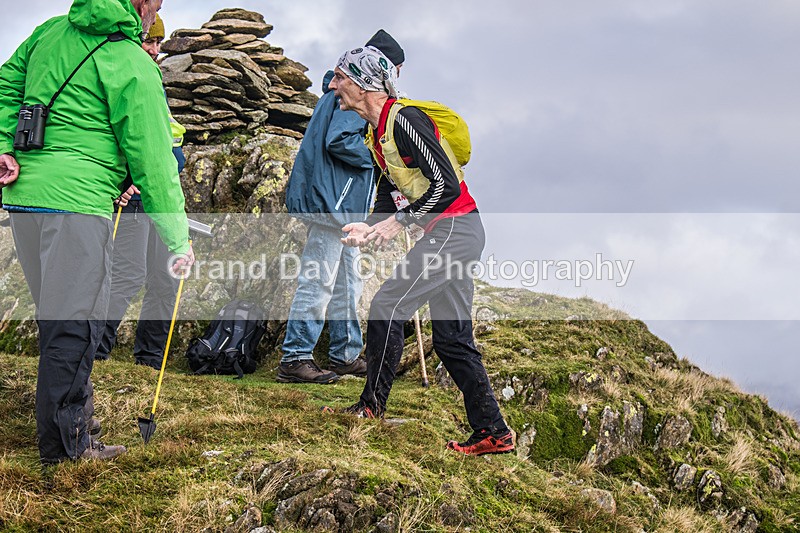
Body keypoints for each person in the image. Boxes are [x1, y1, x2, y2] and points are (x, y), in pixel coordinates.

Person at [0, 0, 193, 465]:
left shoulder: (50, 33)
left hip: (25, 199)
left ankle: (76, 428)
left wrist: (5, 144)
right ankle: (66, 452)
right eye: (156, 3)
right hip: (78, 206)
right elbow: (154, 161)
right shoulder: (131, 63)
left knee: (59, 320)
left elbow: (5, 87)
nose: (156, 12)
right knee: (75, 327)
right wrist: (178, 238)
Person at [330, 46, 515, 456]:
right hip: (451, 231)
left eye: (340, 77)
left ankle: (371, 408)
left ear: (362, 83)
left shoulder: (406, 120)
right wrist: (373, 223)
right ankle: (494, 433)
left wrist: (400, 223)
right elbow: (391, 190)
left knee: (387, 305)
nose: (332, 85)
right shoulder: (376, 133)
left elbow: (446, 187)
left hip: (455, 228)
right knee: (451, 340)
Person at [278, 30, 405, 384]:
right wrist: (382, 156)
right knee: (318, 280)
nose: (396, 76)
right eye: (395, 68)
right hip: (333, 202)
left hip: (341, 205)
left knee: (349, 280)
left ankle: (345, 354)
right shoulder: (353, 94)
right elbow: (341, 140)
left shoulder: (342, 89)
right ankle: (295, 357)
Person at [95, 13, 188, 369]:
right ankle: (97, 352)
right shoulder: (118, 69)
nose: (154, 50)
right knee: (127, 275)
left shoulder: (154, 79)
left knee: (166, 279)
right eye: (149, 41)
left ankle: (149, 361)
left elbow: (168, 142)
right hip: (129, 199)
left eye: (158, 44)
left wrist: (165, 167)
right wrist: (125, 183)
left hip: (160, 196)